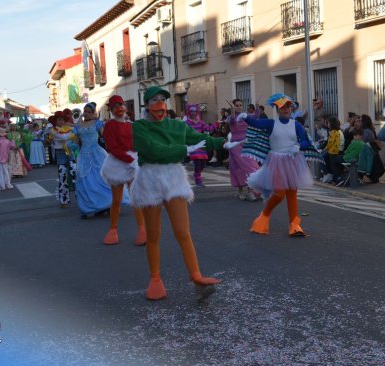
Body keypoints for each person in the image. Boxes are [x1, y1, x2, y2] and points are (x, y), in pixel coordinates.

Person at [130, 86, 224, 302]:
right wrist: (183, 150)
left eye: (163, 100)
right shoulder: (139, 127)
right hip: (150, 179)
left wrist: (223, 143)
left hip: (173, 178)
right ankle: (155, 279)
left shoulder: (176, 125)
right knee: (153, 235)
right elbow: (153, 150)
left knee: (183, 232)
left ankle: (197, 277)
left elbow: (197, 138)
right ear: (146, 104)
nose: (160, 105)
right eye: (154, 100)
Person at [239, 93, 313, 236]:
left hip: (293, 161)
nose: (285, 109)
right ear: (277, 109)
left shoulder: (296, 124)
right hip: (277, 162)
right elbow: (257, 123)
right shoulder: (272, 123)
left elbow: (305, 141)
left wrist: (298, 146)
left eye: (288, 107)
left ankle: (295, 225)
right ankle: (263, 216)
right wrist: (246, 117)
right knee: (279, 194)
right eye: (282, 107)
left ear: (291, 108)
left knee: (292, 193)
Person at [100, 95, 146, 246]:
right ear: (112, 110)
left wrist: (137, 153)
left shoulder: (131, 125)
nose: (119, 108)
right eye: (116, 106)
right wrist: (128, 158)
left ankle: (142, 229)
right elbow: (112, 147)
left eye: (121, 105)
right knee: (117, 200)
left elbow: (135, 142)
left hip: (132, 162)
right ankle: (113, 229)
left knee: (135, 197)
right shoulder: (109, 125)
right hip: (117, 164)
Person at [74, 102, 124, 218]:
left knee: (102, 179)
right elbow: (76, 141)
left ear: (93, 113)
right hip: (84, 155)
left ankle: (107, 204)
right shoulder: (78, 126)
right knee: (85, 180)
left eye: (88, 112)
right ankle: (88, 207)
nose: (86, 114)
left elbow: (105, 136)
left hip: (97, 154)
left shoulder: (97, 123)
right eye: (85, 111)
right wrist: (72, 144)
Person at [226, 98, 260, 200]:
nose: (239, 107)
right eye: (237, 105)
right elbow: (232, 120)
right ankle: (241, 191)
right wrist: (232, 111)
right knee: (238, 168)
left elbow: (255, 117)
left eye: (240, 105)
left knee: (252, 167)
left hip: (246, 143)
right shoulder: (229, 117)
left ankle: (250, 191)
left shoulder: (245, 116)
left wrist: (257, 106)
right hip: (235, 145)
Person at [49, 110, 77, 207]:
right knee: (62, 176)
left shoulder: (68, 128)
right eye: (59, 120)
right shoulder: (53, 130)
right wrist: (71, 132)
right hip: (60, 153)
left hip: (70, 152)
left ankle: (80, 197)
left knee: (75, 174)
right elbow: (64, 137)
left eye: (63, 120)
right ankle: (63, 200)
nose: (61, 121)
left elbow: (74, 133)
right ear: (55, 121)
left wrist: (72, 130)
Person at [184, 104, 215, 187]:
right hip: (193, 145)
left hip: (201, 145)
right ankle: (198, 180)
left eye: (194, 111)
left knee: (203, 164)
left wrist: (216, 124)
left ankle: (197, 175)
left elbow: (208, 129)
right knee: (197, 163)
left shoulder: (200, 122)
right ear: (189, 112)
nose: (193, 113)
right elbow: (182, 133)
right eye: (191, 111)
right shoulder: (186, 123)